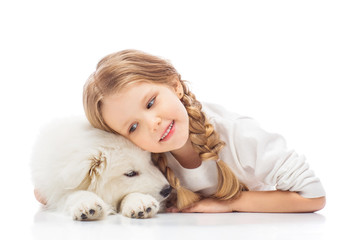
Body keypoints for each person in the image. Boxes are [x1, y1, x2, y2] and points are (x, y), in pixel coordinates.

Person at [36, 49, 326, 213]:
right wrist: (57, 190)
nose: (153, 123)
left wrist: (229, 204)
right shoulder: (146, 153)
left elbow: (314, 196)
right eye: (133, 126)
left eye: (150, 102)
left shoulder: (241, 137)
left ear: (175, 84)